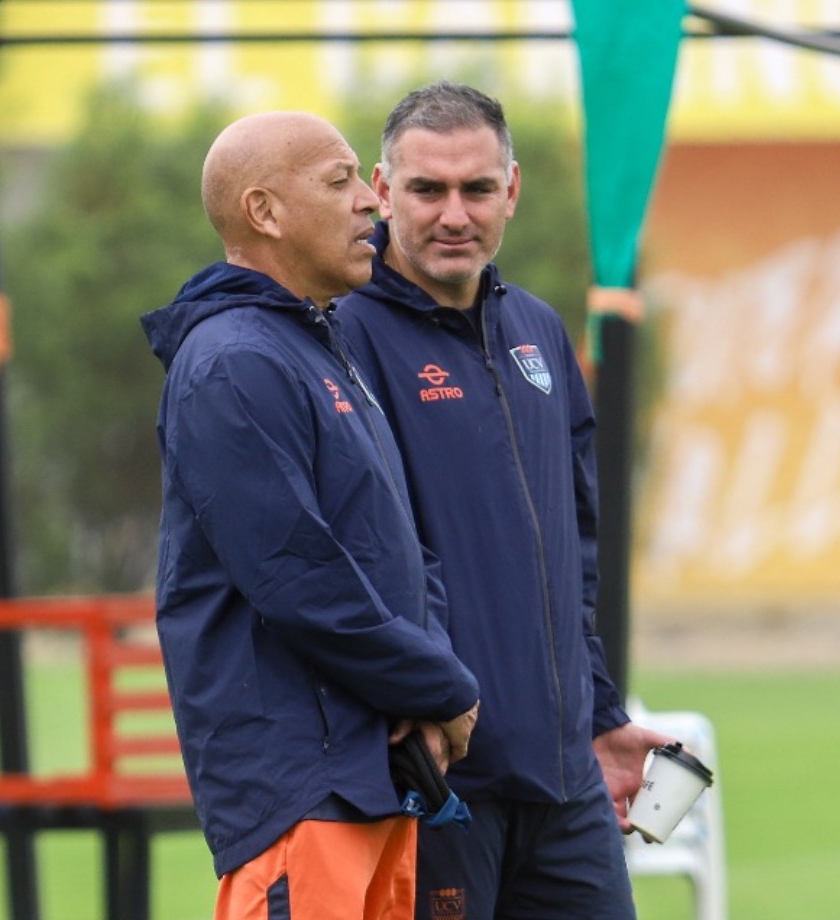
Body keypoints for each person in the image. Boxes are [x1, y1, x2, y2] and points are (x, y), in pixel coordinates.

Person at [336, 82, 676, 919]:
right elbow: (358, 562)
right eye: (427, 190)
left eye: (477, 189)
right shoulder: (343, 334)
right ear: (383, 192)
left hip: (566, 789)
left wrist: (598, 716)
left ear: (512, 191)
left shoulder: (539, 332)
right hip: (437, 788)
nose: (455, 214)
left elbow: (577, 557)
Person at [140, 111, 481, 920]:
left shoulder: (321, 345)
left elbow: (402, 544)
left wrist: (430, 698)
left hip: (376, 780)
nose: (373, 201)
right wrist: (442, 686)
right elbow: (299, 579)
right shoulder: (232, 362)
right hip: (300, 793)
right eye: (340, 182)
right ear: (264, 211)